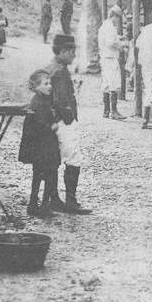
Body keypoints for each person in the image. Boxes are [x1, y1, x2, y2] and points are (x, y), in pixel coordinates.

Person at [44, 34, 91, 215]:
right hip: (63, 121)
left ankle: (54, 198)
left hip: (56, 120)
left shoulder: (53, 67)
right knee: (73, 158)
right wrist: (69, 116)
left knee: (56, 159)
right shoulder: (59, 72)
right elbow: (60, 100)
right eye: (72, 52)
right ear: (63, 51)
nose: (73, 56)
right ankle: (70, 201)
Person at [18, 69, 61, 218]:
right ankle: (43, 206)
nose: (50, 86)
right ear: (36, 87)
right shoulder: (39, 103)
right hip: (44, 146)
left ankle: (33, 204)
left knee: (38, 175)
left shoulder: (42, 100)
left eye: (50, 83)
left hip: (41, 146)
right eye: (46, 83)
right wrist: (52, 126)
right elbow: (40, 124)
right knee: (49, 175)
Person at [98, 6, 128, 120]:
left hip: (104, 57)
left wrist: (118, 37)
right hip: (110, 57)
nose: (118, 21)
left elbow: (109, 39)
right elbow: (111, 42)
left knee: (106, 84)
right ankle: (113, 112)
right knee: (114, 83)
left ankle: (106, 110)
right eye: (118, 18)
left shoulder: (104, 25)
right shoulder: (110, 27)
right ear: (114, 16)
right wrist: (121, 46)